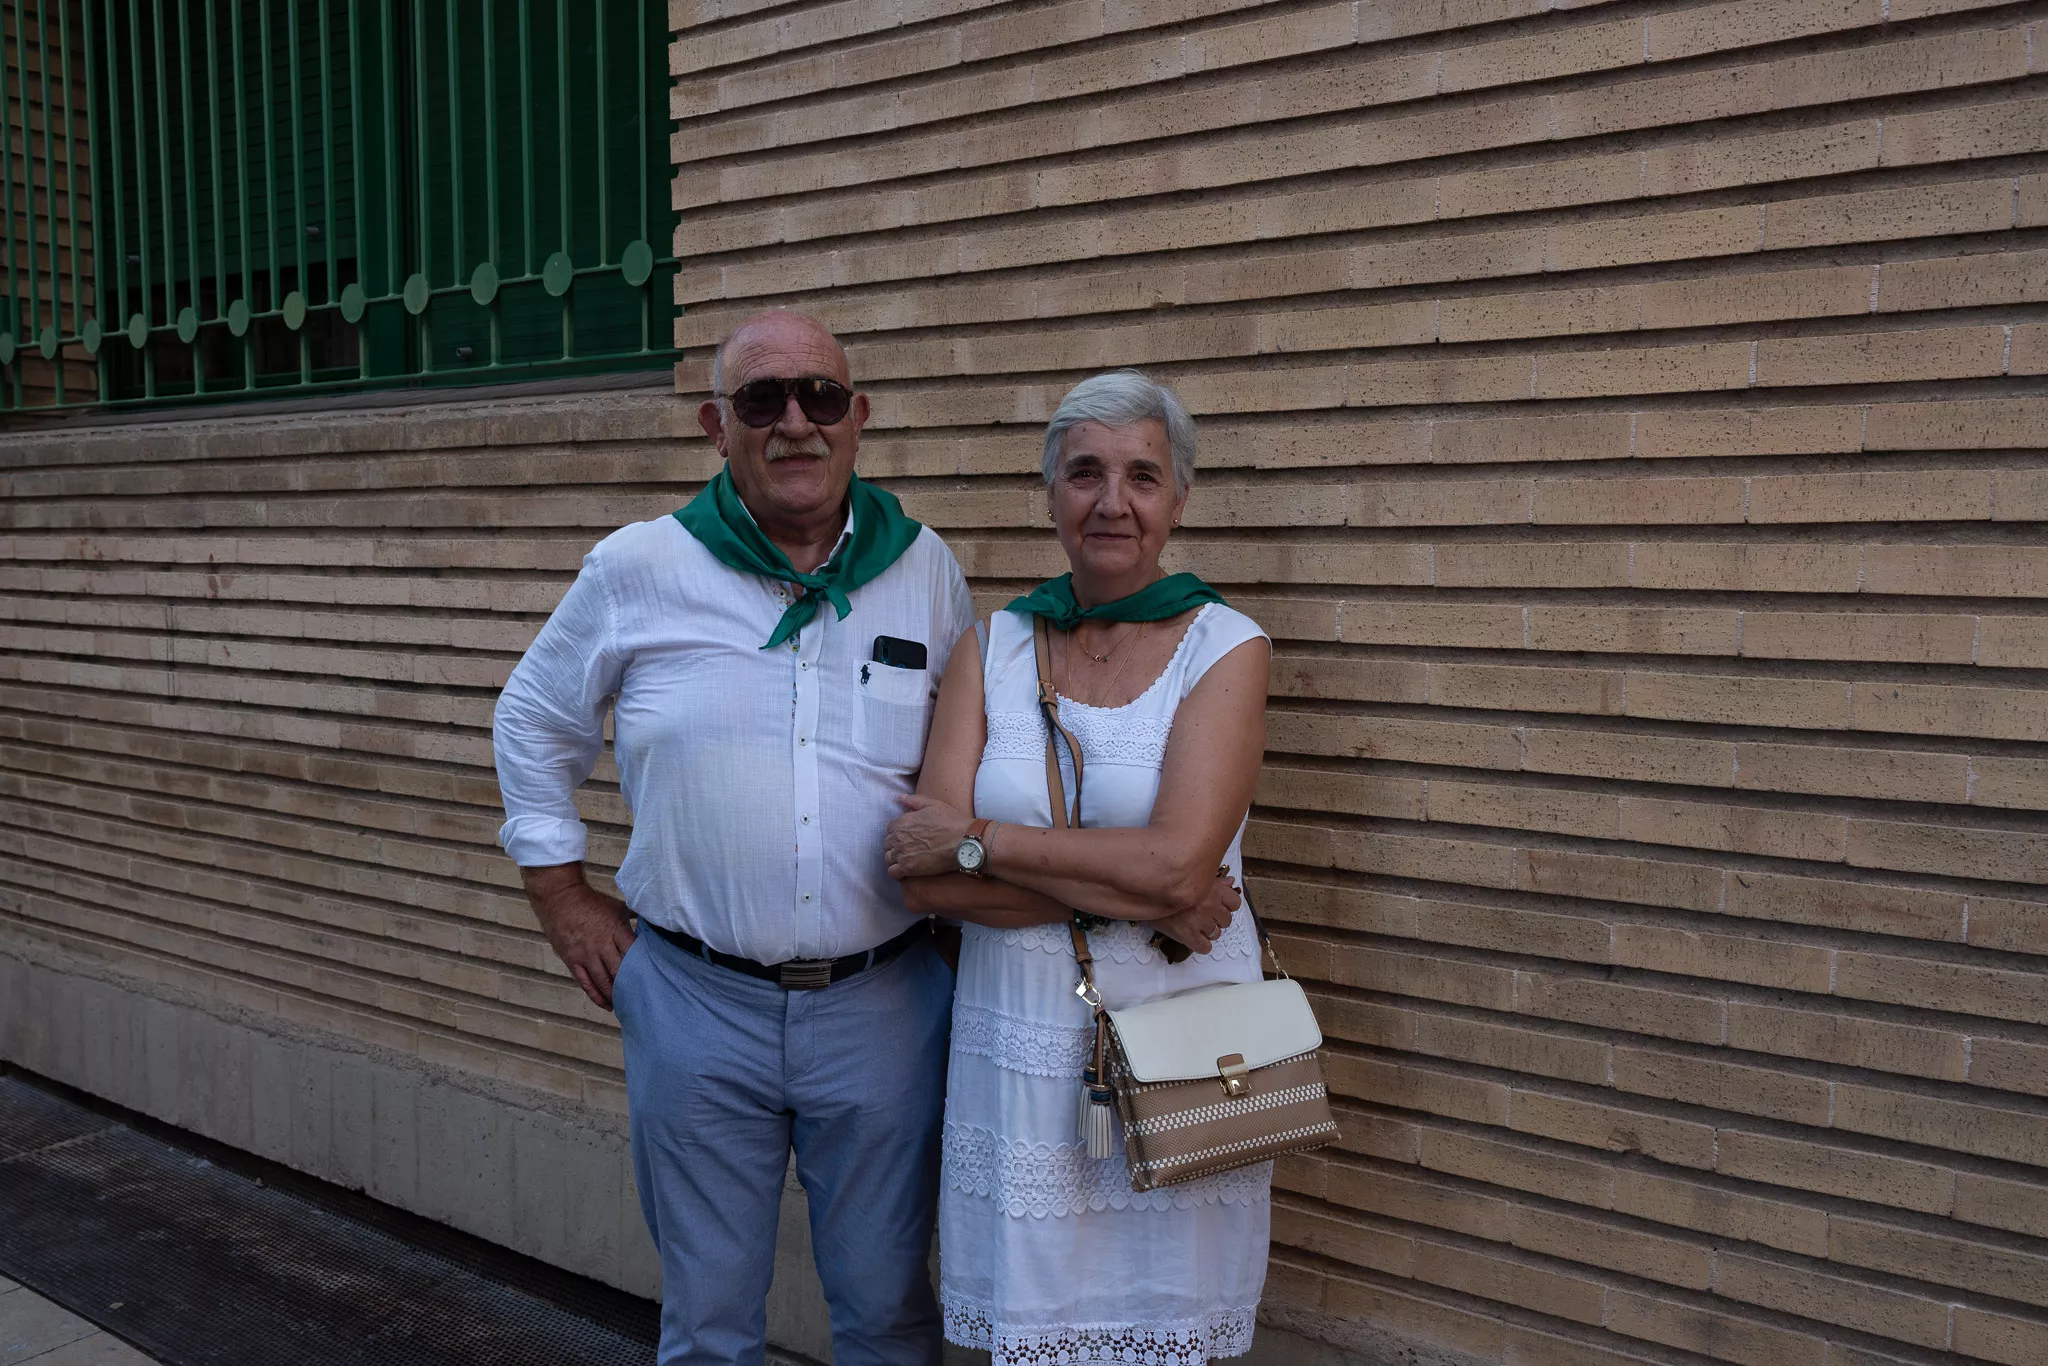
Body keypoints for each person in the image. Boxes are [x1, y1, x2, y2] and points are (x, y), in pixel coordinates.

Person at [493, 310, 974, 1366]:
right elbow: (532, 720)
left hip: (887, 1004)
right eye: (763, 400)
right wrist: (559, 894)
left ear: (858, 420)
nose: (794, 421)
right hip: (695, 1001)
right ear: (718, 425)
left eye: (819, 397)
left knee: (890, 1312)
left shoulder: (924, 567)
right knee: (708, 1328)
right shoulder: (638, 567)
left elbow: (967, 752)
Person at [882, 371, 1273, 1366]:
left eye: (1142, 475)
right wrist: (1138, 892)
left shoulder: (1225, 645)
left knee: (1166, 1329)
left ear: (1178, 498)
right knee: (1035, 1333)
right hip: (1018, 1037)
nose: (1112, 500)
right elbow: (922, 878)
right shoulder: (995, 643)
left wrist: (985, 839)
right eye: (1084, 472)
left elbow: (1183, 863)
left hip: (1182, 1031)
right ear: (1049, 492)